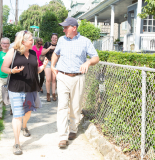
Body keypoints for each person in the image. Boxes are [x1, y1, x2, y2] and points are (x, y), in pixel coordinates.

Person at [51, 17, 99, 148]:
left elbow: (96, 57)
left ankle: (73, 129)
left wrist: (88, 62)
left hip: (78, 78)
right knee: (62, 106)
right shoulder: (61, 40)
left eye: (66, 27)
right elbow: (56, 53)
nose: (64, 29)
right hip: (63, 76)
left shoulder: (85, 41)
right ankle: (62, 136)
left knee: (76, 106)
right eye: (64, 27)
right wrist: (52, 65)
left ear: (74, 28)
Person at [1, 30, 48, 155]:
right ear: (23, 41)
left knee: (27, 112)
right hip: (16, 88)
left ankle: (24, 126)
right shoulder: (13, 52)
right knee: (17, 115)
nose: (33, 42)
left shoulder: (33, 53)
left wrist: (43, 67)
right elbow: (3, 68)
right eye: (31, 40)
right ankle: (17, 143)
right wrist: (13, 71)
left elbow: (35, 70)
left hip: (31, 87)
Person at [0, 37, 11, 121]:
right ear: (1, 45)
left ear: (9, 44)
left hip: (10, 77)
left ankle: (13, 110)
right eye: (3, 43)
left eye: (6, 43)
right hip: (0, 78)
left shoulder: (11, 53)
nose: (5, 45)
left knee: (11, 95)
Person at [41, 33, 58, 102]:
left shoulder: (58, 45)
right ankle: (48, 94)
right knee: (48, 79)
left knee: (54, 79)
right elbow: (42, 53)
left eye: (56, 38)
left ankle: (53, 94)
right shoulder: (47, 44)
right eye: (53, 38)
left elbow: (60, 55)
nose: (54, 39)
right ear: (51, 38)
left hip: (55, 63)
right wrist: (49, 48)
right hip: (48, 62)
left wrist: (57, 51)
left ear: (57, 39)